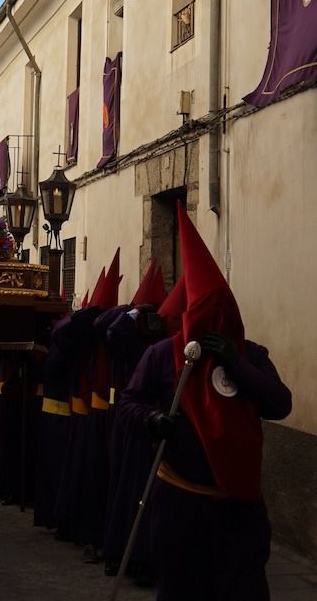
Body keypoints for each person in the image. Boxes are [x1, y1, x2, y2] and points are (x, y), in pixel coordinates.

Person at [118, 203, 292, 601]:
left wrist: (238, 365)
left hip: (239, 507)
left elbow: (280, 404)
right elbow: (129, 403)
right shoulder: (163, 355)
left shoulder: (253, 355)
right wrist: (153, 419)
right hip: (180, 504)